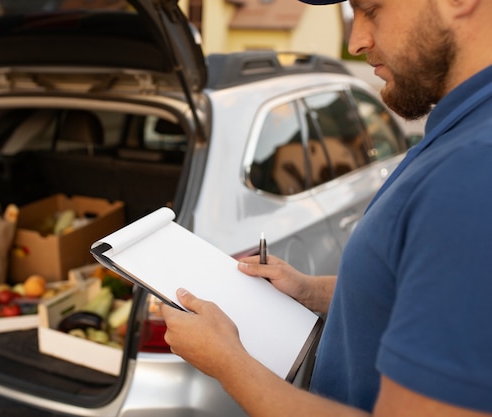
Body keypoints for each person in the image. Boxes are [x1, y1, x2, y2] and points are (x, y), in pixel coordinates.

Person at [160, 0, 492, 415]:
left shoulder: (474, 168)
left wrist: (230, 363)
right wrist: (308, 290)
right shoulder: (465, 128)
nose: (355, 42)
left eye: (370, 9)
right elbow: (407, 292)